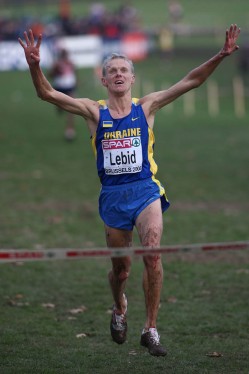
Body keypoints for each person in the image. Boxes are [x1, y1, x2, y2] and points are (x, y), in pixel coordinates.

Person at [18, 24, 240, 357]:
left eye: (124, 70)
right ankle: (119, 304)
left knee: (152, 254)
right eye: (112, 71)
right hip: (113, 197)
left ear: (132, 78)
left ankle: (150, 328)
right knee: (121, 270)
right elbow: (48, 95)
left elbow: (191, 81)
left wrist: (220, 56)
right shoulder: (94, 112)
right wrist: (35, 66)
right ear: (103, 80)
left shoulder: (146, 107)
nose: (119, 74)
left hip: (145, 191)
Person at [49, 48, 77, 140]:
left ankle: (70, 130)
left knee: (71, 108)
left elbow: (74, 73)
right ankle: (60, 108)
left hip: (69, 86)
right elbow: (50, 75)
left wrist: (76, 82)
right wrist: (56, 71)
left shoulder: (70, 63)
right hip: (59, 87)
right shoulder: (56, 64)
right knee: (60, 106)